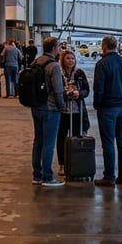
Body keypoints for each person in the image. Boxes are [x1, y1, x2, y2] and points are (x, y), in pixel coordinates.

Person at [92, 35, 122, 187]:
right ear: (117, 46)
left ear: (104, 46)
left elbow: (99, 88)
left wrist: (97, 105)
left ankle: (109, 176)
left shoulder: (102, 64)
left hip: (108, 107)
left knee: (108, 142)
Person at [29, 36, 65, 187]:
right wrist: (62, 106)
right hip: (50, 108)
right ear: (54, 48)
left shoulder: (35, 62)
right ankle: (47, 176)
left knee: (38, 141)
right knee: (49, 143)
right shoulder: (54, 66)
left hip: (36, 106)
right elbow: (58, 90)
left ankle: (37, 175)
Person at [56, 50, 91, 176]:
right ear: (62, 60)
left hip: (77, 111)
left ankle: (75, 163)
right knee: (61, 138)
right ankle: (62, 165)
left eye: (72, 58)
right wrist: (65, 94)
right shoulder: (59, 73)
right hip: (63, 111)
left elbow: (86, 90)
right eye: (68, 58)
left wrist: (78, 94)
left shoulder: (79, 73)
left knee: (76, 137)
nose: (71, 60)